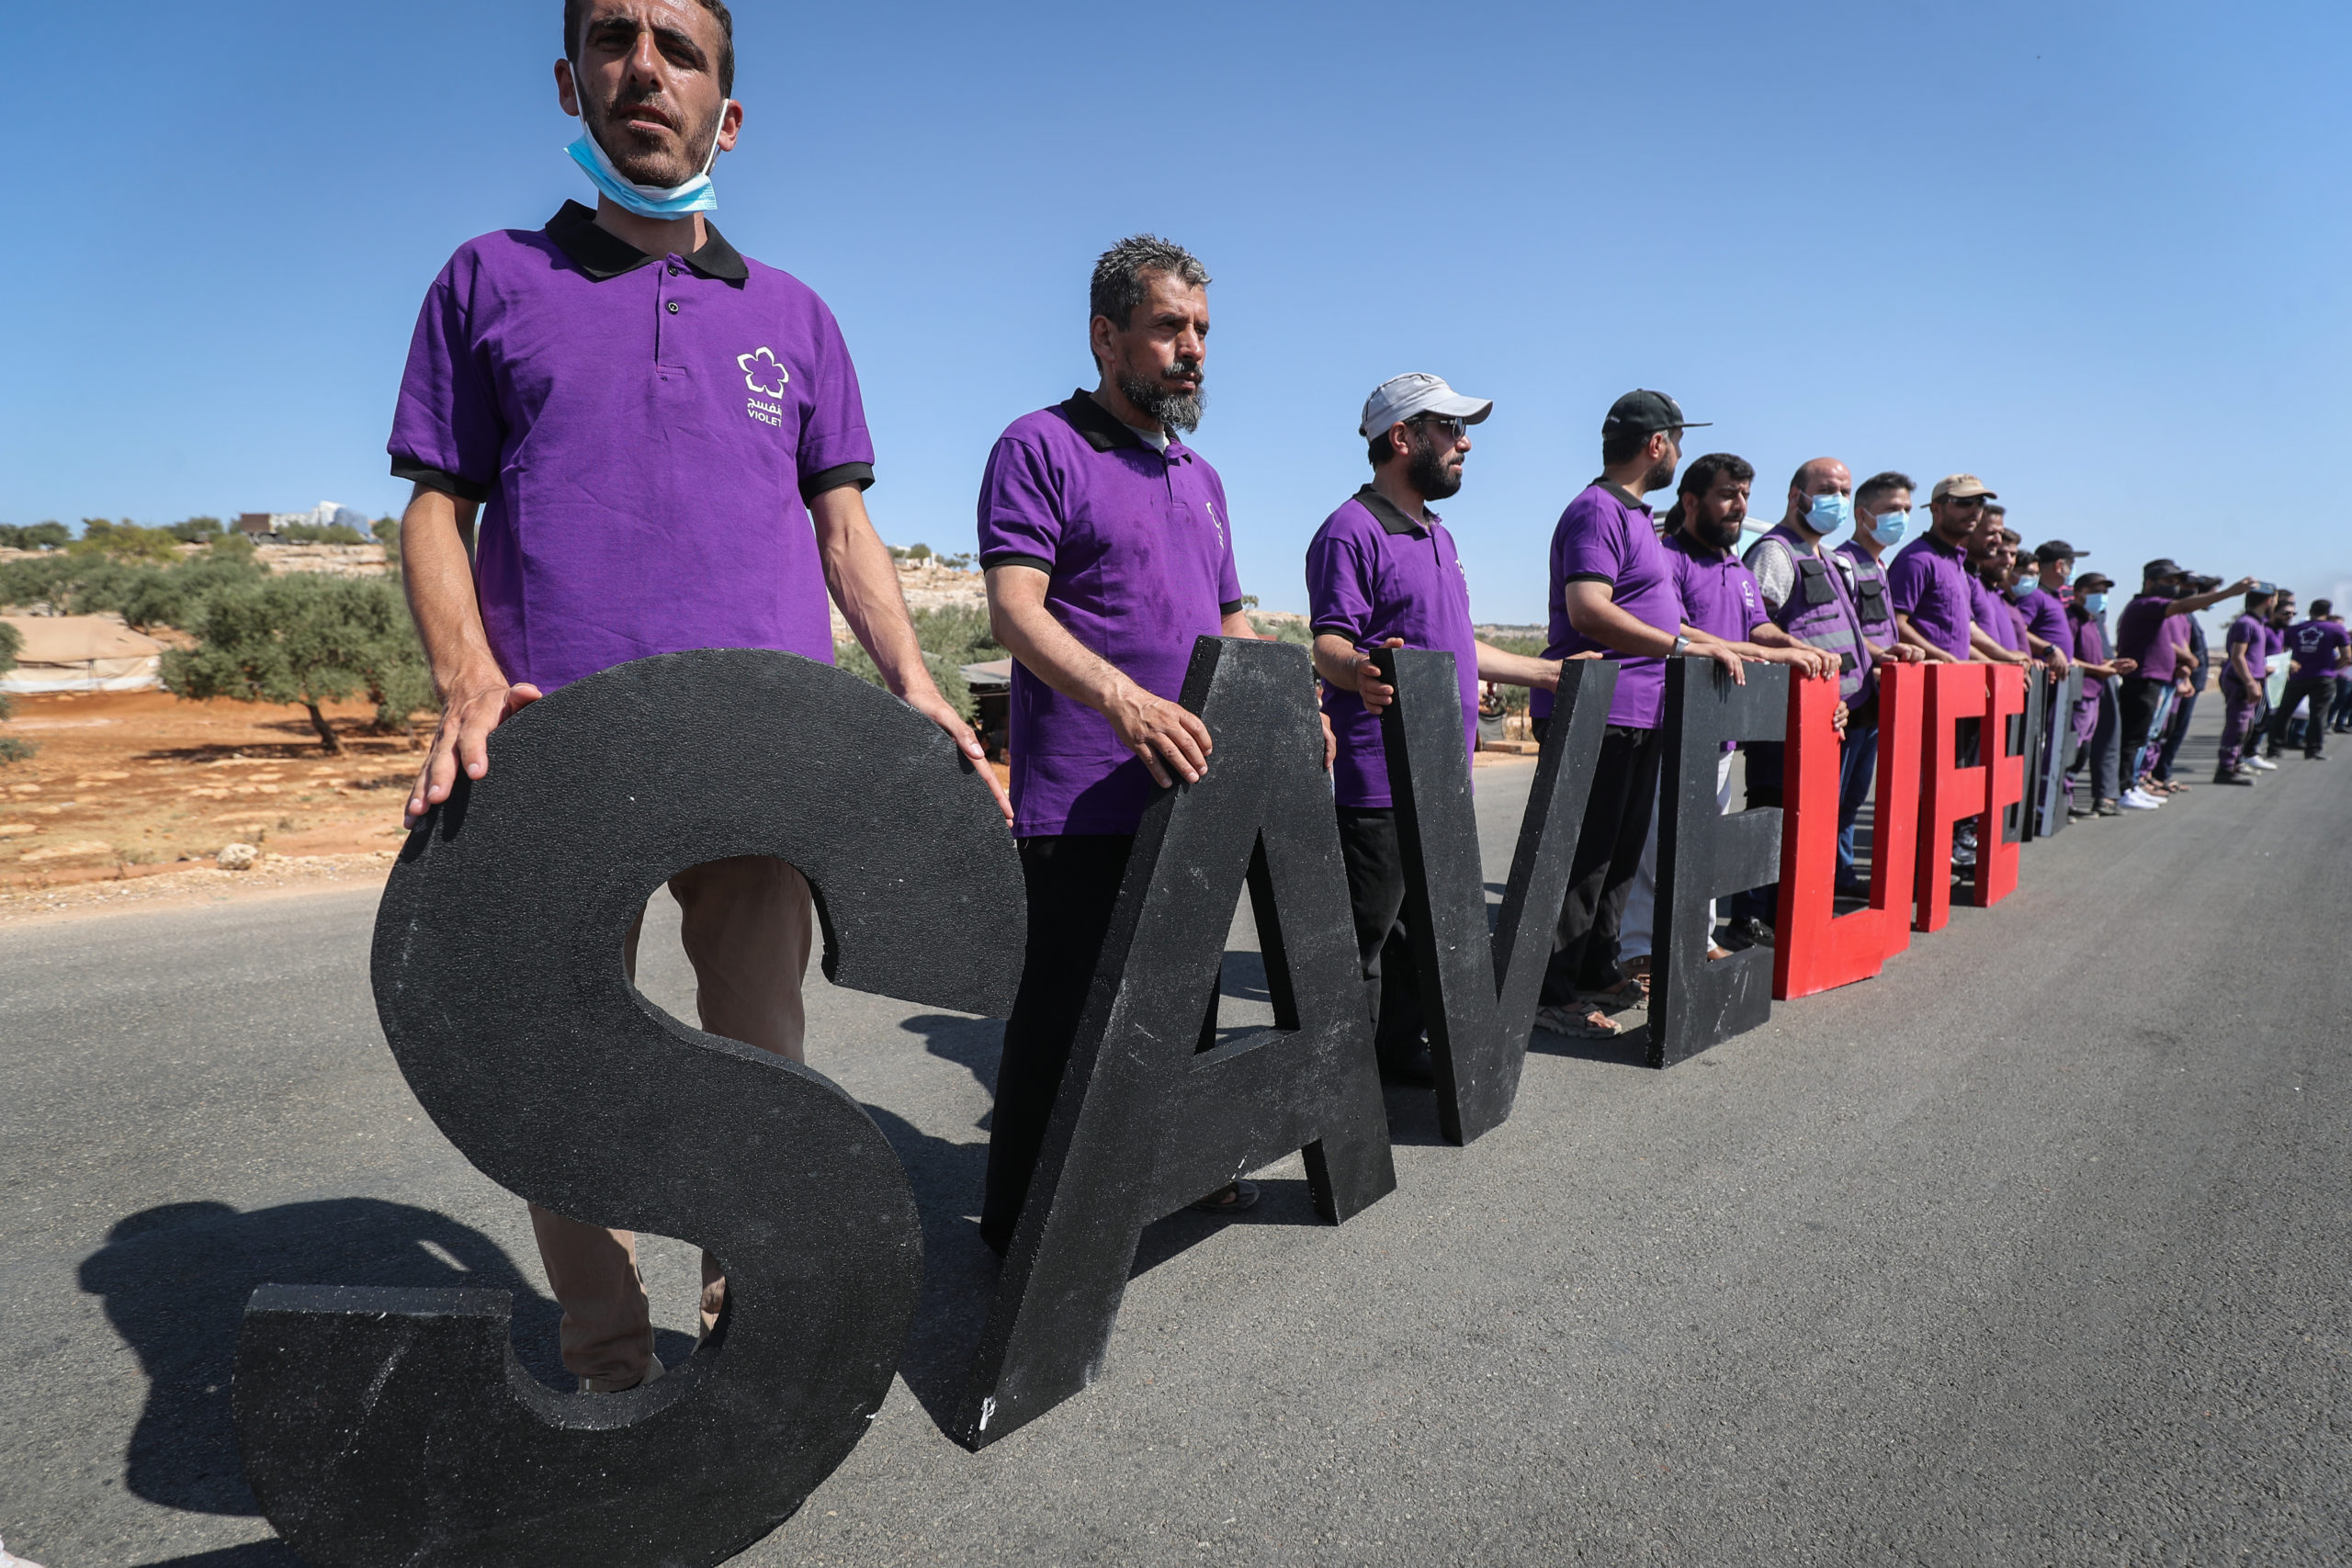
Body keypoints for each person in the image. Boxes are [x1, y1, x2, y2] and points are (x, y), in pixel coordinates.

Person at [385, 0, 1001, 1395]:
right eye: (615, 39)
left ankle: (744, 1340)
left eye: (680, 47)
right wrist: (466, 678)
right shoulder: (488, 280)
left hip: (759, 746)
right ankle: (606, 1361)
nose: (644, 68)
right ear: (570, 82)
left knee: (760, 1058)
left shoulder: (797, 317)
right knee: (554, 1068)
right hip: (550, 743)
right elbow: (434, 506)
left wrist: (910, 683)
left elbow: (844, 528)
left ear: (728, 111)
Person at [978, 234, 1312, 1250]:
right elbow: (1014, 611)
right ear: (1105, 335)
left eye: (1201, 329)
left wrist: (1288, 709)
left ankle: (1176, 1170)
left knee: (1184, 999)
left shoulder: (1202, 477)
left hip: (1194, 787)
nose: (1192, 347)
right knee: (1066, 1017)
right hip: (1083, 797)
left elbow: (1231, 621)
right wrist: (1121, 701)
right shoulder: (1040, 445)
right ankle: (1023, 1229)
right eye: (1168, 326)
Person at [1306, 374, 1562, 1084]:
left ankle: (1395, 1053)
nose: (1464, 442)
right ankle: (1341, 1089)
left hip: (1443, 774)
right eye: (1450, 428)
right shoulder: (1350, 529)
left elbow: (1457, 645)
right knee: (1365, 937)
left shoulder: (1438, 534)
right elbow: (1328, 641)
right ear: (1402, 437)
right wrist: (1356, 670)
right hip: (1379, 779)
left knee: (1424, 931)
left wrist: (1546, 673)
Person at [1527, 390, 1755, 1041]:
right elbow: (1589, 608)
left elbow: (1661, 617)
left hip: (1640, 712)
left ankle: (1596, 969)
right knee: (1584, 859)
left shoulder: (1635, 516)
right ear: (1658, 445)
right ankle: (1550, 992)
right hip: (1602, 709)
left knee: (1620, 859)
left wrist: (1716, 644)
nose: (1678, 454)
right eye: (1677, 443)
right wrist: (1683, 646)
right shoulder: (1598, 510)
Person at [1613, 454, 1837, 972]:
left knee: (1704, 844)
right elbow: (1678, 632)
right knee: (1657, 846)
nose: (1739, 505)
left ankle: (1697, 935)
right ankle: (1639, 950)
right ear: (1691, 501)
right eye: (1727, 494)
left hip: (1721, 731)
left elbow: (1759, 627)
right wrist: (1761, 651)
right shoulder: (1666, 559)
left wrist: (1794, 646)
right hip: (1672, 725)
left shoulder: (1737, 568)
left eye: (1745, 496)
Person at [1728, 457, 1885, 931]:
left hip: (1833, 717)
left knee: (1811, 823)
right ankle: (1751, 920)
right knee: (1773, 815)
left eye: (1845, 491)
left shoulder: (1828, 558)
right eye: (1827, 490)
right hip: (1786, 719)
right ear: (1797, 495)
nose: (1838, 500)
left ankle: (1790, 920)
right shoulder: (1775, 553)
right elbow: (1753, 627)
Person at [1831, 473, 1919, 887]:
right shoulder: (1842, 563)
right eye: (1891, 510)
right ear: (1862, 514)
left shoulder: (1880, 566)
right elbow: (1843, 629)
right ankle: (1828, 875)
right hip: (1851, 696)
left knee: (1854, 795)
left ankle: (1843, 871)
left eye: (1906, 510)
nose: (1901, 518)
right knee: (1835, 793)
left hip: (1877, 697)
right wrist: (1880, 655)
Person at [2112, 560, 2252, 806]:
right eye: (2168, 581)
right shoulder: (2147, 605)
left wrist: (2180, 668)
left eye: (2176, 582)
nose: (2175, 587)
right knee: (2134, 739)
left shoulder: (2160, 613)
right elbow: (2184, 606)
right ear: (2150, 583)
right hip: (2142, 682)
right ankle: (2125, 788)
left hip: (2157, 680)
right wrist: (2230, 593)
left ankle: (2133, 785)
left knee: (2145, 737)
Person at [2064, 572, 2135, 816]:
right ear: (2078, 593)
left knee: (2082, 749)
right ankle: (2062, 802)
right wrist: (2098, 670)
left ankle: (2067, 801)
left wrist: (2112, 665)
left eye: (2104, 592)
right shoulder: (2071, 619)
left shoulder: (2091, 621)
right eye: (2095, 591)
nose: (2101, 596)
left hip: (2093, 694)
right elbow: (2067, 658)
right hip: (2078, 694)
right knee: (2072, 750)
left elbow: (2095, 659)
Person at [2152, 575, 2220, 787]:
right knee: (2167, 731)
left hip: (2188, 683)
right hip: (2178, 682)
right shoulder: (2178, 615)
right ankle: (2158, 774)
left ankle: (2161, 774)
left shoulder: (2187, 617)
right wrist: (2187, 672)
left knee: (2175, 730)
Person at [2267, 598, 2348, 760]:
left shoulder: (2294, 629)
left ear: (2310, 611)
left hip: (2297, 676)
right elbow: (2347, 656)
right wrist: (2333, 668)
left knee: (2283, 713)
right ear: (2328, 613)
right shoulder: (2336, 629)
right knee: (2318, 715)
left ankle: (2274, 749)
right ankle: (2313, 750)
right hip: (2323, 678)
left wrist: (2288, 665)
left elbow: (2280, 650)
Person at [2214, 585, 2277, 784]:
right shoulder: (2245, 624)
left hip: (2250, 680)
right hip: (2240, 682)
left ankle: (2235, 763)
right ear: (2269, 601)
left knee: (2246, 727)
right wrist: (2250, 682)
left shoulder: (2257, 623)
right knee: (2237, 726)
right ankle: (2225, 769)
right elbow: (2237, 656)